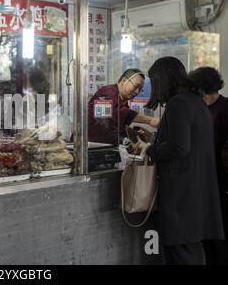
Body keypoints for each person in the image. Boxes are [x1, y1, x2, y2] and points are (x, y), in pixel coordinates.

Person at [135, 57, 224, 265]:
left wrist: (149, 148)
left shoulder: (178, 104)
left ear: (164, 80)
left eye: (154, 82)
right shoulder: (196, 101)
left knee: (180, 255)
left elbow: (179, 147)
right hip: (195, 194)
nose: (154, 88)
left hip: (181, 198)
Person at [189, 66, 228, 264]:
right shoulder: (198, 108)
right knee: (206, 232)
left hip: (219, 178)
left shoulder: (225, 108)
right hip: (201, 177)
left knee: (219, 232)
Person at [88, 68, 159, 145]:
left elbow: (117, 126)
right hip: (89, 146)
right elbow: (116, 112)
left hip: (103, 145)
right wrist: (150, 120)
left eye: (140, 89)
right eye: (136, 86)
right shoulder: (106, 92)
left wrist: (136, 134)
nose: (137, 92)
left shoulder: (122, 100)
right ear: (124, 80)